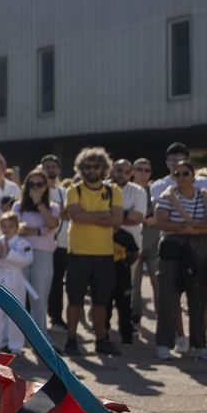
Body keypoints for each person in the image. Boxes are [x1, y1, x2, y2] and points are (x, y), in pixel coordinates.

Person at [154, 158, 207, 361]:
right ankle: (164, 344)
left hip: (200, 248)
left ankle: (199, 346)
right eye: (177, 174)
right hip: (174, 249)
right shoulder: (167, 196)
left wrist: (192, 229)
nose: (181, 177)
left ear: (193, 175)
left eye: (185, 173)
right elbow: (161, 221)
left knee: (198, 299)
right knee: (169, 298)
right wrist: (188, 229)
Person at [61, 147, 123, 357]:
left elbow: (117, 220)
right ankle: (71, 339)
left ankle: (100, 340)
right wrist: (105, 215)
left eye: (96, 166)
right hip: (78, 254)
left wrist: (90, 216)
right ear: (81, 168)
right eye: (87, 166)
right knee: (75, 300)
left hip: (104, 254)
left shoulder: (113, 190)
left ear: (104, 168)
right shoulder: (74, 189)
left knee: (101, 301)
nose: (92, 170)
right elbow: (78, 218)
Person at [14, 170, 61, 336]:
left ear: (45, 187)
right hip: (20, 254)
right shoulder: (18, 206)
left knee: (39, 297)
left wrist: (39, 203)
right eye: (31, 184)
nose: (35, 188)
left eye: (39, 185)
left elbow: (52, 224)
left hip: (43, 253)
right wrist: (41, 231)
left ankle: (41, 337)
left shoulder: (53, 207)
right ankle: (16, 338)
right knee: (18, 295)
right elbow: (16, 229)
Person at [0, 213, 34, 351]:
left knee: (16, 313)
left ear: (17, 227)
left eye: (10, 226)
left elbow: (27, 259)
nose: (7, 229)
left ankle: (15, 346)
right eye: (4, 226)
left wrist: (10, 253)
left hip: (15, 280)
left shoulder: (22, 243)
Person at [40, 153, 69, 329]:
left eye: (53, 167)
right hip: (41, 242)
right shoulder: (37, 189)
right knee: (40, 281)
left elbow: (67, 213)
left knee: (58, 281)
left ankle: (56, 317)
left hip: (62, 241)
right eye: (47, 167)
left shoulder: (63, 192)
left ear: (58, 170)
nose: (50, 170)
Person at [130, 156, 157, 321]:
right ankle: (134, 316)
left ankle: (164, 319)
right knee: (134, 283)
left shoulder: (155, 190)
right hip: (133, 243)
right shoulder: (127, 190)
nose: (143, 173)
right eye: (139, 169)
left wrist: (157, 219)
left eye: (146, 170)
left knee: (158, 283)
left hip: (154, 244)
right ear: (133, 172)